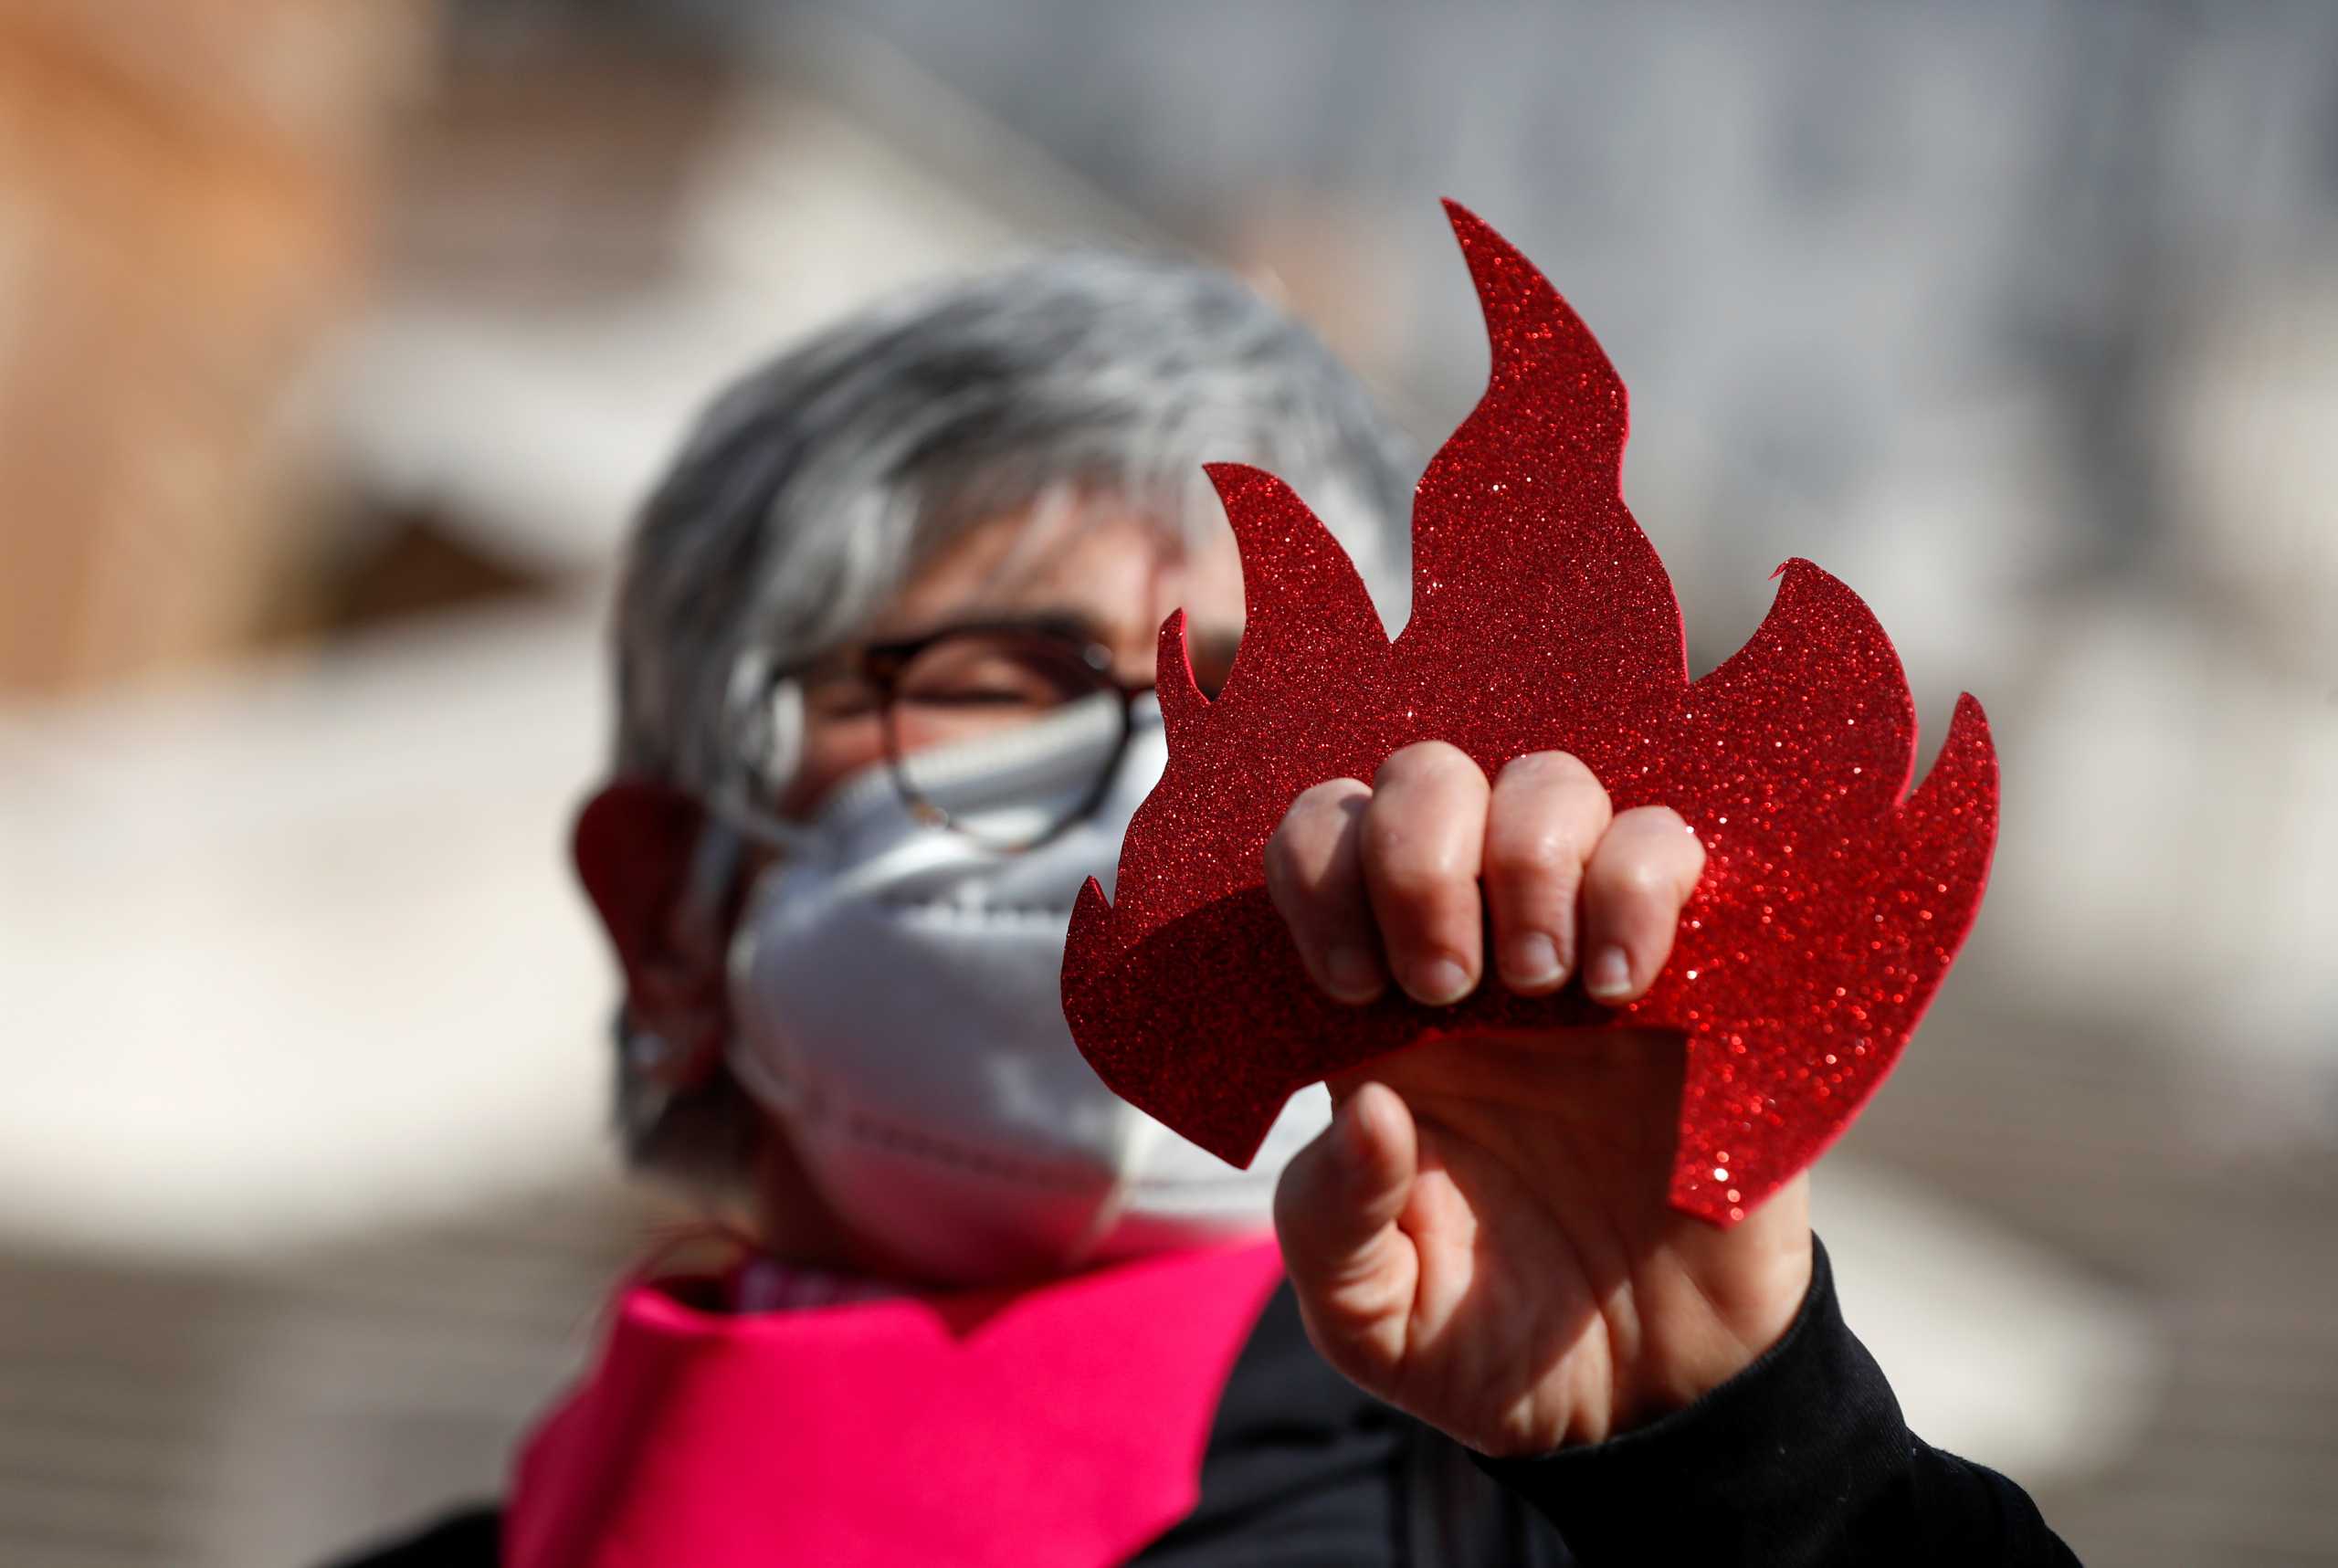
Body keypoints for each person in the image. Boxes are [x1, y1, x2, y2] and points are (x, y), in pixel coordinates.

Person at [337, 248, 2080, 1566]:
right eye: (1000, 674)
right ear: (666, 906)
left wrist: (1739, 1459)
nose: (1138, 779)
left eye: (1259, 699)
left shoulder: (1583, 1538)